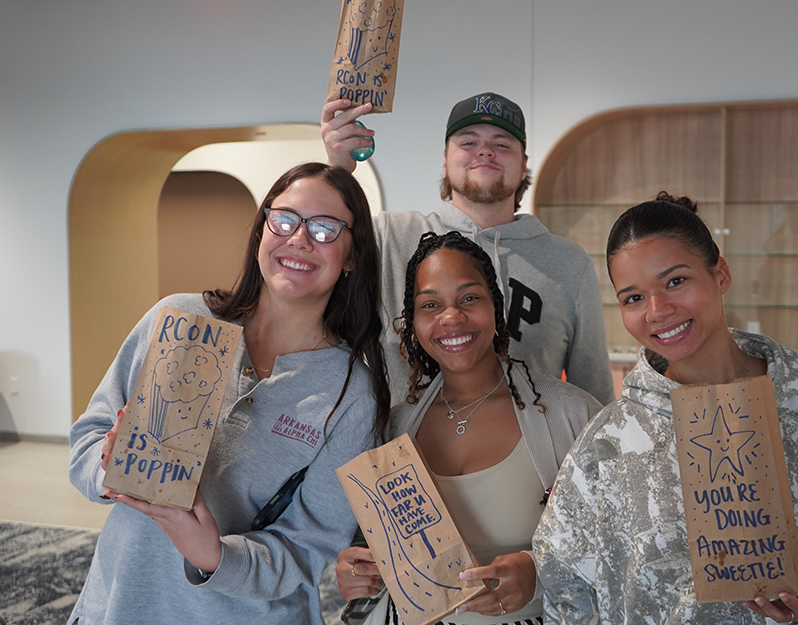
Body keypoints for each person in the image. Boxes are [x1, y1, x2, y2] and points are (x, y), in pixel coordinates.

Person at [532, 193, 798, 624]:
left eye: (675, 281)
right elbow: (565, 581)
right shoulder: (610, 441)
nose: (657, 311)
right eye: (633, 298)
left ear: (721, 274)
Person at [68, 163, 391, 624]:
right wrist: (110, 464)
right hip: (121, 604)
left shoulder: (350, 394)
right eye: (285, 219)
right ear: (262, 229)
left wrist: (213, 554)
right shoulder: (178, 319)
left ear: (353, 255)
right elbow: (87, 437)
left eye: (325, 228)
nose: (300, 239)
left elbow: (307, 547)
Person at [336, 231, 602, 625]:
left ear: (496, 306)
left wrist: (539, 571)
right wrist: (356, 571)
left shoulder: (572, 417)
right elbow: (374, 547)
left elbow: (620, 543)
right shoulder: (394, 429)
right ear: (413, 322)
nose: (451, 317)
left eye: (469, 298)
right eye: (431, 304)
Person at [321, 92, 615, 406]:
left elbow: (594, 396)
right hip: (403, 449)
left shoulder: (569, 263)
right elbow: (313, 264)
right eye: (468, 142)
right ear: (445, 160)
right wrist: (338, 172)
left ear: (524, 165)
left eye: (502, 143)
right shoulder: (388, 236)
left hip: (534, 453)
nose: (485, 151)